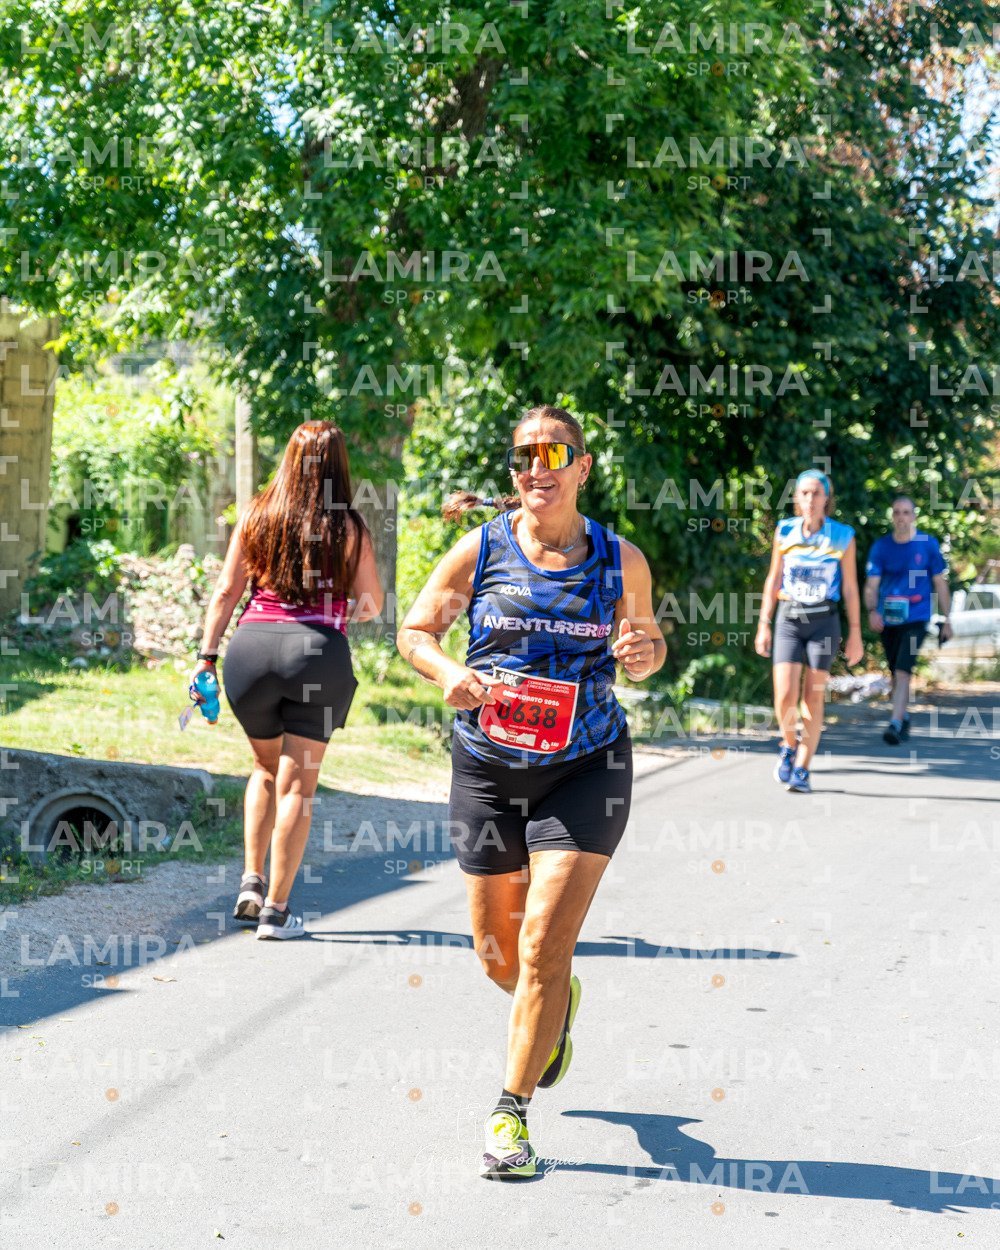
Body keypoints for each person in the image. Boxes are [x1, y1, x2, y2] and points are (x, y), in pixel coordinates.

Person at [397, 405, 666, 1180]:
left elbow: (644, 649)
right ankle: (554, 1005)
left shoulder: (621, 561)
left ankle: (509, 1115)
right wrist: (449, 673)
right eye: (523, 457)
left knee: (545, 946)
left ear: (583, 466)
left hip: (587, 767)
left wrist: (644, 651)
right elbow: (417, 631)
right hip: (487, 767)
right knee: (496, 955)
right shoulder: (481, 551)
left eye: (554, 453)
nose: (536, 468)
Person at [191, 421, 383, 939]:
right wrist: (335, 601)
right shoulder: (349, 527)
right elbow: (371, 605)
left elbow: (226, 593)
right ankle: (276, 912)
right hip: (316, 655)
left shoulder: (255, 516)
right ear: (339, 465)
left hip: (249, 653)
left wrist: (206, 657)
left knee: (263, 768)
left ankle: (250, 882)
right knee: (301, 779)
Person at [754, 470, 863, 793]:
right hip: (788, 618)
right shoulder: (784, 531)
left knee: (812, 697)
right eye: (804, 493)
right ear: (796, 498)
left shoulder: (843, 536)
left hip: (824, 621)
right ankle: (789, 744)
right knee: (785, 695)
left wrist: (855, 632)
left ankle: (802, 767)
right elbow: (774, 579)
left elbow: (851, 587)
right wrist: (763, 623)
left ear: (826, 498)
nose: (810, 500)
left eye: (816, 493)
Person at [864, 495, 951, 744]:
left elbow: (939, 583)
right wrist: (872, 611)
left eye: (906, 512)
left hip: (917, 617)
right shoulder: (881, 547)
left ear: (914, 516)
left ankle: (894, 723)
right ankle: (903, 716)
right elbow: (871, 585)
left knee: (903, 670)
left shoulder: (928, 544)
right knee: (895, 671)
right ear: (892, 517)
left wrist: (947, 619)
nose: (901, 517)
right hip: (889, 620)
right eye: (897, 513)